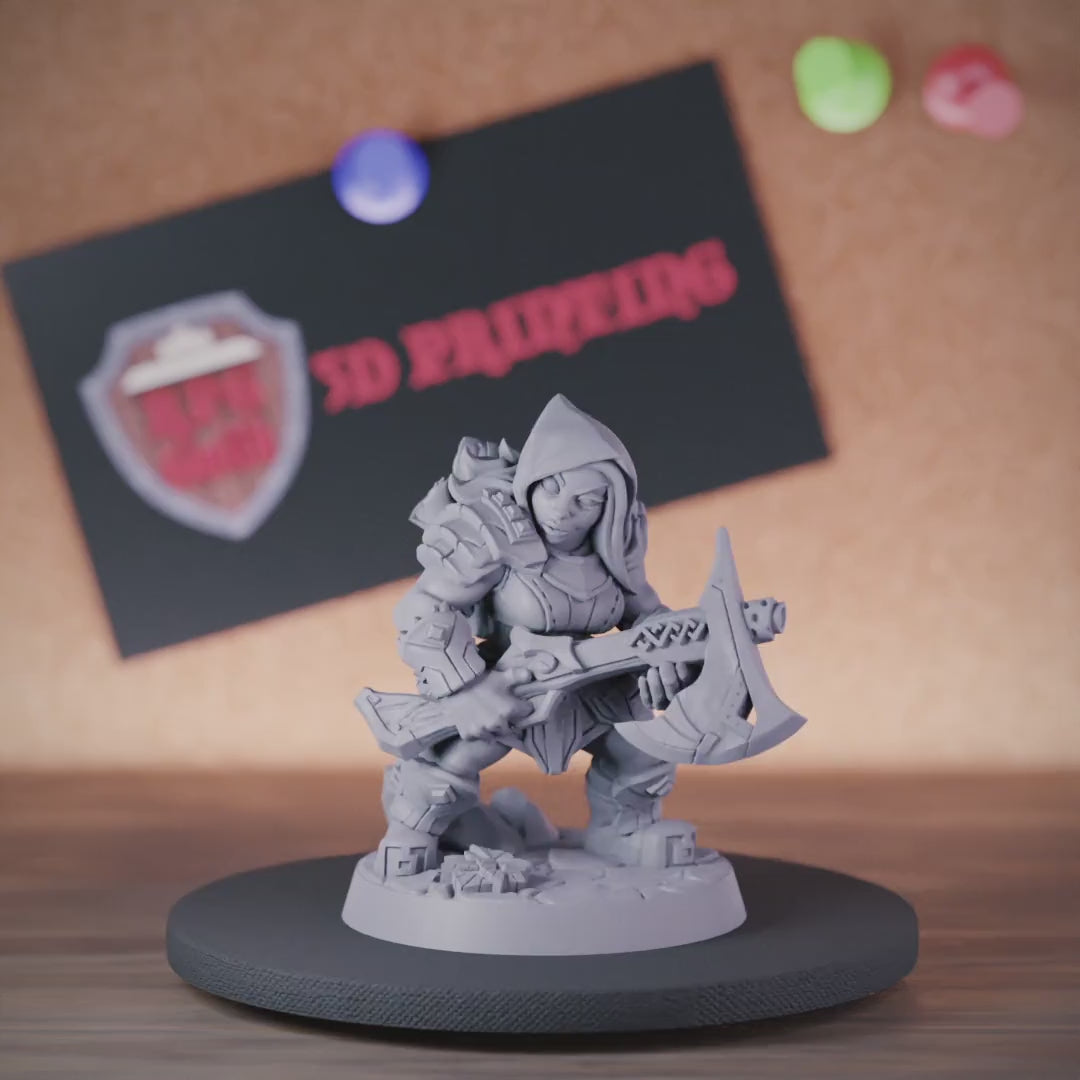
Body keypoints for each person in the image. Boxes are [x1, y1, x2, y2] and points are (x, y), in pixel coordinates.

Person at [377, 394, 699, 876]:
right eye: (551, 488)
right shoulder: (495, 531)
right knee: (455, 759)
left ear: (608, 507)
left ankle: (624, 829)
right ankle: (413, 835)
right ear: (531, 479)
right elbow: (422, 607)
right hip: (510, 684)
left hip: (594, 685)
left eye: (587, 500)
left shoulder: (615, 549)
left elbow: (645, 613)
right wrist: (465, 687)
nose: (563, 512)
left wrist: (669, 650)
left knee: (643, 747)